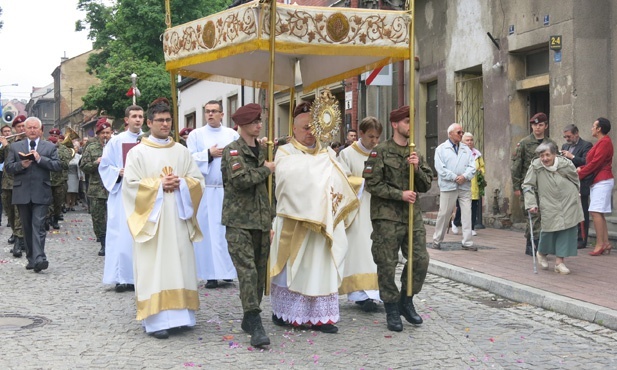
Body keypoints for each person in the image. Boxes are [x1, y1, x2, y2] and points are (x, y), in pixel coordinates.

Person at [270, 101, 360, 334]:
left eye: (314, 127)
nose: (310, 133)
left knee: (320, 269)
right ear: (294, 129)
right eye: (305, 128)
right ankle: (288, 313)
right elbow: (287, 180)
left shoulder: (328, 153)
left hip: (323, 226)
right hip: (295, 222)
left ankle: (322, 318)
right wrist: (319, 173)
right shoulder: (285, 152)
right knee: (294, 269)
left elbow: (340, 178)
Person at [122, 98, 204, 339]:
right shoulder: (138, 153)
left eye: (168, 120)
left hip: (178, 217)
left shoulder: (181, 151)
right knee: (155, 267)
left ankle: (182, 316)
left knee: (180, 264)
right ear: (149, 122)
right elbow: (130, 186)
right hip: (153, 222)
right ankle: (156, 321)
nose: (165, 124)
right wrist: (158, 185)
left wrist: (183, 184)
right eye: (160, 120)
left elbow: (197, 180)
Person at [364, 106, 433, 332]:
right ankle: (391, 307)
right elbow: (371, 184)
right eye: (406, 121)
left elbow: (425, 184)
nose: (410, 126)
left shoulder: (415, 152)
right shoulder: (380, 151)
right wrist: (399, 194)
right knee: (386, 263)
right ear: (395, 124)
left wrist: (416, 169)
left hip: (412, 216)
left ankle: (406, 299)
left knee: (420, 260)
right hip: (387, 217)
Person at [221, 103, 275, 347]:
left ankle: (248, 316)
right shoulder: (232, 151)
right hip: (239, 221)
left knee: (259, 273)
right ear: (242, 125)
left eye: (259, 120)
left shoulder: (264, 150)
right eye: (254, 121)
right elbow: (241, 180)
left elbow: (268, 192)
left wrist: (271, 219)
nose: (259, 124)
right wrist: (265, 169)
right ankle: (255, 321)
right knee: (247, 271)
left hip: (262, 221)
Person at [187, 100, 239, 289]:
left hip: (226, 190)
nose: (210, 114)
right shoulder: (196, 135)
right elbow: (188, 159)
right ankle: (209, 274)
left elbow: (237, 156)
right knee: (208, 232)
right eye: (207, 111)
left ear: (222, 114)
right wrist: (208, 154)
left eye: (214, 111)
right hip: (206, 190)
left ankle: (227, 273)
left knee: (225, 231)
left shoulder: (231, 134)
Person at [337, 116, 383, 312]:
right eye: (371, 136)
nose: (374, 141)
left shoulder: (380, 153)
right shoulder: (347, 154)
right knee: (360, 251)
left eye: (377, 137)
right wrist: (365, 182)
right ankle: (360, 295)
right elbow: (341, 178)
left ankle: (377, 293)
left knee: (376, 251)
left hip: (378, 207)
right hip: (357, 209)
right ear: (361, 133)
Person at [4, 117, 61, 272]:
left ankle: (39, 258)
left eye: (35, 127)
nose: (32, 130)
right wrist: (21, 165)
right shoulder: (15, 147)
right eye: (29, 127)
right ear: (24, 130)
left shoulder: (49, 147)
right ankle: (31, 257)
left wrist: (40, 159)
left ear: (41, 130)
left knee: (38, 225)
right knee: (27, 227)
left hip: (41, 192)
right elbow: (8, 167)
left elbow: (57, 165)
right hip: (22, 191)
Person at [99, 106, 144, 292]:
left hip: (143, 193)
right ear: (127, 120)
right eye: (134, 116)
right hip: (122, 194)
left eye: (141, 116)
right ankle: (121, 277)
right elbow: (105, 166)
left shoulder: (149, 140)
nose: (138, 119)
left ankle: (141, 276)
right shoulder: (116, 141)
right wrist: (119, 172)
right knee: (121, 235)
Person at [523, 142, 583, 274]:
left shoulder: (565, 164)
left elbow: (575, 178)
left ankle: (559, 263)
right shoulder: (536, 166)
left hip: (568, 201)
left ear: (554, 154)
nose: (544, 158)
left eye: (547, 155)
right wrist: (531, 203)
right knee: (549, 229)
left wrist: (577, 192)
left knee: (567, 229)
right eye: (541, 155)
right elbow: (528, 185)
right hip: (549, 202)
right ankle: (542, 252)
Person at [511, 112, 557, 255]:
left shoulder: (551, 144)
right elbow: (516, 166)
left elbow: (556, 165)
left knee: (545, 216)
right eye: (534, 125)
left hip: (546, 186)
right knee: (533, 215)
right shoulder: (524, 143)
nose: (537, 128)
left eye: (540, 125)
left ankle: (535, 244)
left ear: (546, 126)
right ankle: (534, 246)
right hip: (529, 186)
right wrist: (516, 186)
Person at [432, 123, 477, 251]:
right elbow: (440, 168)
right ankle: (437, 240)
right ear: (450, 133)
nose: (461, 134)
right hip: (449, 185)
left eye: (462, 132)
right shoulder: (441, 149)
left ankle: (467, 242)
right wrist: (454, 177)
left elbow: (472, 166)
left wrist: (465, 176)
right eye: (459, 132)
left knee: (467, 213)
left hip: (464, 185)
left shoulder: (466, 149)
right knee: (444, 213)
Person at [577, 117, 614, 256]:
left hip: (602, 180)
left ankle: (600, 244)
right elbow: (591, 162)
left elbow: (596, 163)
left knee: (595, 211)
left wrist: (581, 173)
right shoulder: (602, 142)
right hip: (599, 180)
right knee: (599, 212)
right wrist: (581, 168)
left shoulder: (604, 142)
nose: (591, 128)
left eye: (594, 126)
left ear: (599, 129)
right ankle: (605, 242)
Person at [80, 118, 112, 256]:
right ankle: (103, 242)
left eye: (108, 132)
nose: (105, 135)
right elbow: (83, 166)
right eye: (103, 133)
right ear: (98, 134)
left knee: (113, 217)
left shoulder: (115, 145)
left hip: (113, 188)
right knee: (98, 217)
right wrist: (95, 163)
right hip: (96, 188)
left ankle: (112, 242)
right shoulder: (91, 147)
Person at [560, 124, 593, 249]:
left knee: (582, 212)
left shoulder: (586, 145)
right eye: (565, 136)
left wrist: (571, 156)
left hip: (581, 183)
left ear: (576, 133)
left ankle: (582, 239)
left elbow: (587, 162)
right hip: (567, 183)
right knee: (569, 211)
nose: (567, 139)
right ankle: (571, 237)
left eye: (569, 136)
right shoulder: (565, 146)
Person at [0, 116, 26, 256]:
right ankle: (16, 234)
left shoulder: (28, 143)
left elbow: (19, 158)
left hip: (20, 183)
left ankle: (19, 241)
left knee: (19, 214)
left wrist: (6, 146)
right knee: (9, 213)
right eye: (19, 126)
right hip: (7, 183)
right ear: (15, 128)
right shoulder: (9, 141)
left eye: (23, 126)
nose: (21, 129)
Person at [452, 132, 485, 236]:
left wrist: (480, 172)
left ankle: (471, 227)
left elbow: (482, 167)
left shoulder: (477, 154)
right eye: (467, 140)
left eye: (471, 140)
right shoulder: (459, 153)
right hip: (463, 184)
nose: (470, 142)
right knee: (462, 206)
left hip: (474, 185)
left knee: (474, 206)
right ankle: (456, 223)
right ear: (462, 141)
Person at [47, 128, 72, 229]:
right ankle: (47, 219)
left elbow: (66, 165)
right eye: (52, 137)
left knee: (58, 202)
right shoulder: (44, 147)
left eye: (56, 137)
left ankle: (56, 218)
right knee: (47, 202)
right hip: (46, 180)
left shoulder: (63, 149)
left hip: (59, 180)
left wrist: (56, 158)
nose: (54, 138)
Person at [66, 140, 83, 211]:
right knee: (68, 190)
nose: (75, 149)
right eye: (74, 148)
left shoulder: (79, 156)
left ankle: (72, 204)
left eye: (76, 148)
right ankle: (67, 204)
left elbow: (81, 166)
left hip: (75, 175)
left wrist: (81, 175)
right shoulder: (68, 155)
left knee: (74, 191)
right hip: (68, 175)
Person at [0, 125, 11, 226]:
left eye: (9, 131)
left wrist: (5, 146)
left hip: (8, 175)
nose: (7, 133)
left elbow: (9, 158)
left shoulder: (11, 144)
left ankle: (10, 220)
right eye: (5, 131)